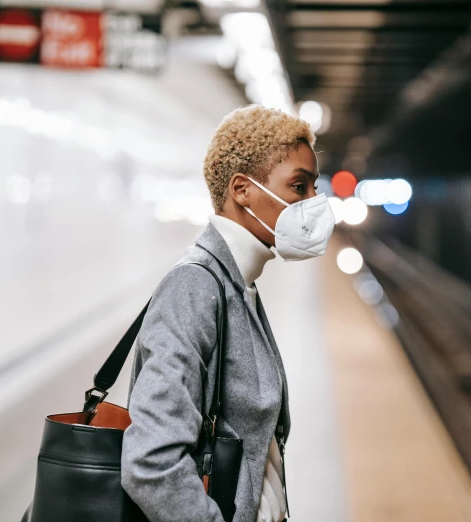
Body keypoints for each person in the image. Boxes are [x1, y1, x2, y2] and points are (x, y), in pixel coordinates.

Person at [120, 105, 335, 522]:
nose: (313, 202)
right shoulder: (196, 287)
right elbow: (151, 461)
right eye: (299, 186)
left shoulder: (237, 283)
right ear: (241, 189)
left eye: (313, 187)